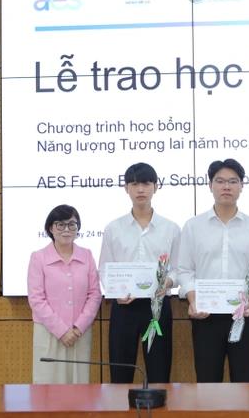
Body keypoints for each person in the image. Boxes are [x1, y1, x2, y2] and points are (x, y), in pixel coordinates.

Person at [176, 158, 249, 382]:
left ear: (242, 186)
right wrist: (193, 300)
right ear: (210, 185)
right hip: (205, 317)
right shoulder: (193, 226)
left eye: (233, 181)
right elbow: (184, 269)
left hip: (244, 315)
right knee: (208, 382)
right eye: (220, 181)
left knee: (244, 382)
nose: (226, 187)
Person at [99, 163, 181, 384]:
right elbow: (105, 268)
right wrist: (115, 291)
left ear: (156, 186)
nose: (141, 189)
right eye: (134, 184)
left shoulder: (171, 228)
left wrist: (168, 282)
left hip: (157, 306)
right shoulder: (113, 228)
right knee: (120, 370)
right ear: (126, 188)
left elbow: (178, 268)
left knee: (159, 370)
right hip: (124, 306)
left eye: (146, 183)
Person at [27, 204, 102, 384]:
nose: (66, 229)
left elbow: (94, 294)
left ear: (78, 228)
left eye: (72, 224)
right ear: (51, 228)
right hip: (49, 333)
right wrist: (61, 331)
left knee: (78, 384)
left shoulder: (86, 256)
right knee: (48, 386)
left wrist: (78, 328)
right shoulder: (38, 257)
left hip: (79, 334)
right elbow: (36, 299)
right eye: (60, 224)